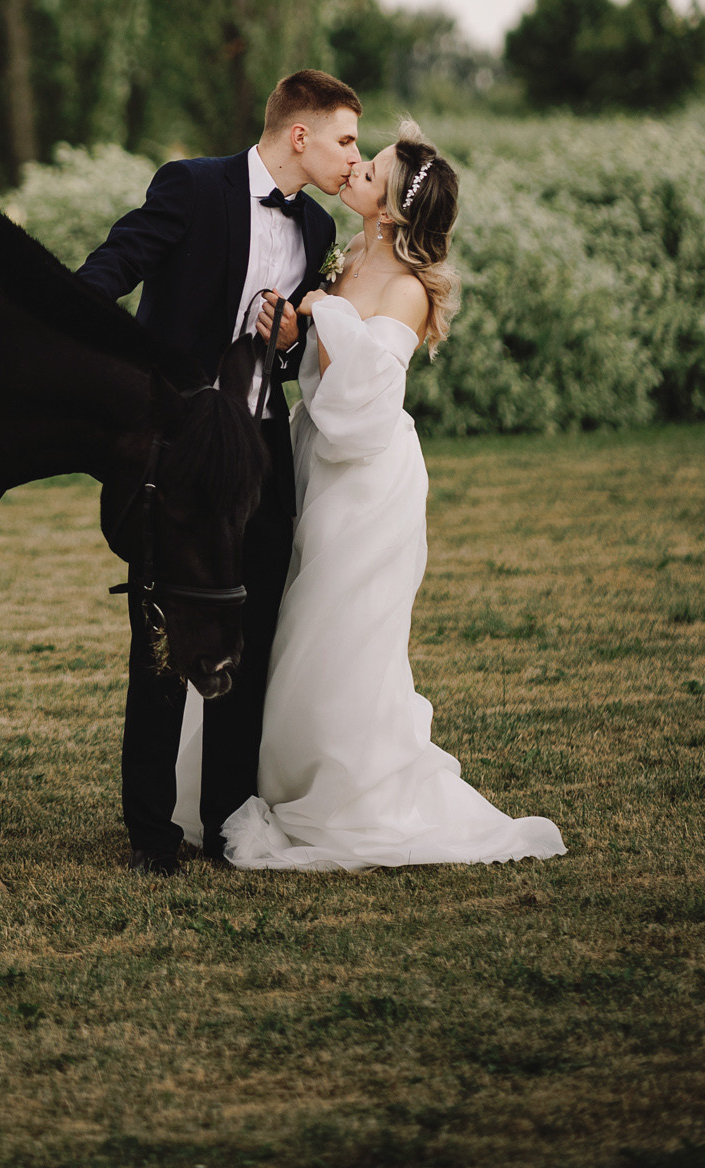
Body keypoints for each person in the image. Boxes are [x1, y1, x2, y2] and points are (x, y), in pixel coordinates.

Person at [219, 121, 565, 872]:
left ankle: (347, 796)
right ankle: (273, 775)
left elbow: (361, 413)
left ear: (392, 210)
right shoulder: (341, 266)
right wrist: (293, 327)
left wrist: (324, 314)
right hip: (314, 464)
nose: (354, 169)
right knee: (290, 626)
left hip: (369, 482)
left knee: (340, 637)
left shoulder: (405, 291)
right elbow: (314, 379)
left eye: (370, 168)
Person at [77, 69, 363, 872]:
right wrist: (72, 345)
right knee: (163, 637)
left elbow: (297, 348)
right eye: (345, 139)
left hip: (262, 449)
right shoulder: (193, 187)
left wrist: (284, 339)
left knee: (255, 626)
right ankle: (149, 830)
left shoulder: (311, 231)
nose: (354, 157)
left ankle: (230, 819)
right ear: (299, 134)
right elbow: (116, 264)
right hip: (177, 452)